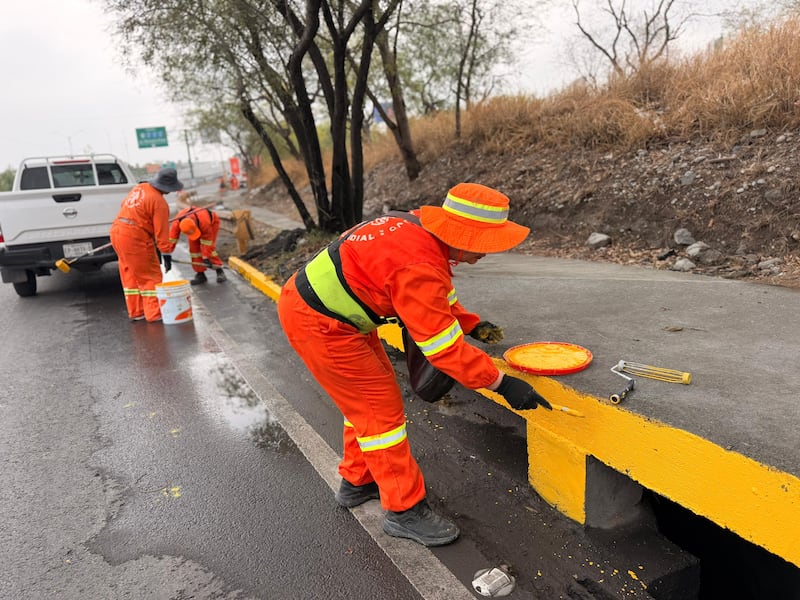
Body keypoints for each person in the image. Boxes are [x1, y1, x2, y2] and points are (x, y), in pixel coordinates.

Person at [277, 182, 553, 547]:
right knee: (379, 414)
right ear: (464, 236)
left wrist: (470, 323)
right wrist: (503, 384)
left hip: (332, 314)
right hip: (322, 325)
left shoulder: (419, 230)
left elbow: (438, 294)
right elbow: (444, 351)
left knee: (365, 404)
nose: (487, 254)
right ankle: (403, 510)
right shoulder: (418, 263)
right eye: (486, 244)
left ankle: (357, 481)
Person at [110, 167, 183, 322]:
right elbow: (161, 234)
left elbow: (124, 205)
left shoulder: (139, 188)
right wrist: (166, 254)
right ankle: (154, 314)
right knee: (150, 275)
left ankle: (137, 312)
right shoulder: (160, 203)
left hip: (117, 231)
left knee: (130, 273)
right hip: (135, 237)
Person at [167, 206, 227, 285]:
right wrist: (167, 254)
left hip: (212, 224)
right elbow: (172, 239)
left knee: (209, 250)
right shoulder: (177, 223)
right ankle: (200, 274)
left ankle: (219, 271)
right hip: (196, 226)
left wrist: (206, 258)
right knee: (194, 251)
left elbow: (207, 243)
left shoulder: (205, 221)